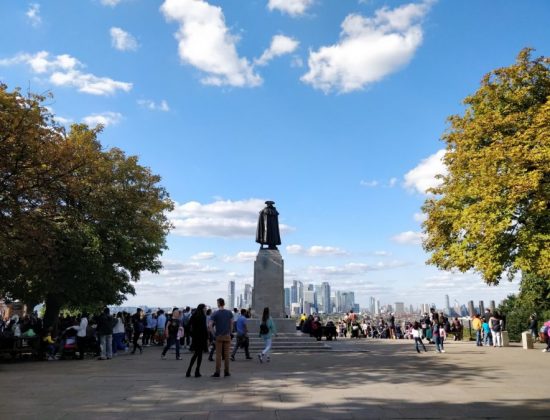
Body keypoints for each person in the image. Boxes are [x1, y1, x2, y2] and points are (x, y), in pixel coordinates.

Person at [209, 298, 233, 377]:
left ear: (218, 304)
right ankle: (227, 372)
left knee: (218, 355)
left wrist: (214, 334)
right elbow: (231, 323)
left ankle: (217, 372)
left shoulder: (215, 314)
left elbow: (210, 325)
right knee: (226, 355)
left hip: (218, 336)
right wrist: (230, 332)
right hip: (227, 336)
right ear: (224, 303)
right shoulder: (229, 313)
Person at [186, 304, 208, 377]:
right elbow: (204, 328)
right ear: (202, 309)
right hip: (201, 338)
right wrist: (207, 338)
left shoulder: (194, 315)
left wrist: (192, 334)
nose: (206, 309)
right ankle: (196, 371)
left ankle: (189, 370)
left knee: (196, 354)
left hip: (195, 338)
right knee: (199, 355)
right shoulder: (203, 317)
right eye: (205, 308)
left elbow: (188, 326)